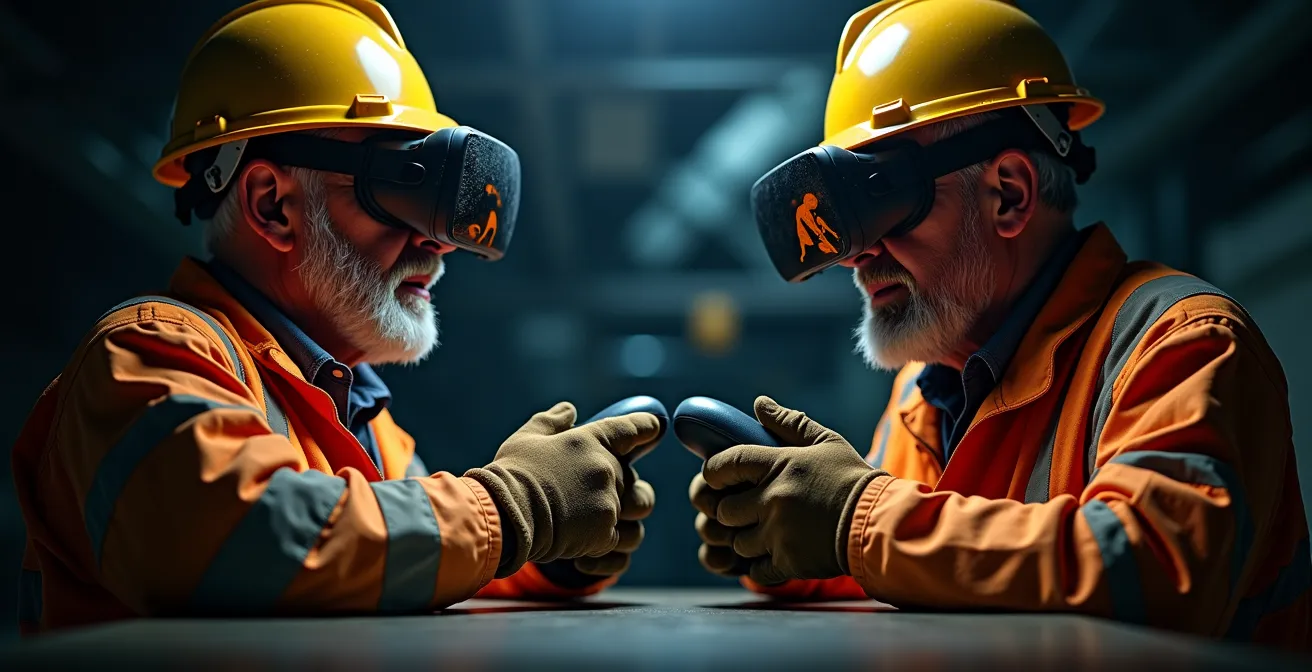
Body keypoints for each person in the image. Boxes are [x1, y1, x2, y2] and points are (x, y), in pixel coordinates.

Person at [12, 0, 658, 635]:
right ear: (273, 206)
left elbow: (397, 557)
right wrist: (515, 509)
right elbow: (246, 542)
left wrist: (558, 550)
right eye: (401, 187)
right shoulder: (147, 354)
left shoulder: (362, 416)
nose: (438, 242)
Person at [692, 0, 1310, 651]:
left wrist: (855, 519)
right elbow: (926, 563)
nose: (855, 253)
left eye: (882, 199)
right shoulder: (924, 391)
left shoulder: (1183, 342)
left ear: (1008, 193)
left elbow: (1156, 572)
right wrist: (781, 540)